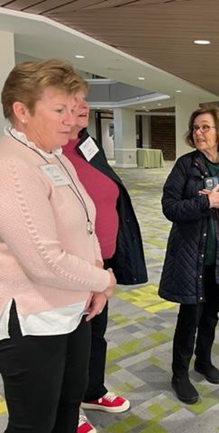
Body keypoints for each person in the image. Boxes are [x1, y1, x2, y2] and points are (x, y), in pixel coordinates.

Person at [0, 59, 116, 433]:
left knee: (68, 409)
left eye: (73, 107)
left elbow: (86, 220)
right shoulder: (12, 165)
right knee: (34, 424)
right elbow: (44, 261)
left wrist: (94, 276)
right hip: (34, 319)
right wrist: (103, 280)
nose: (71, 119)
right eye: (59, 109)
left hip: (71, 309)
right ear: (22, 111)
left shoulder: (54, 154)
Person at [62, 93, 148, 433]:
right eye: (74, 100)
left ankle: (91, 390)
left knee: (95, 332)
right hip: (72, 262)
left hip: (103, 258)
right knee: (70, 340)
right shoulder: (51, 151)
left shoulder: (87, 143)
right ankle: (67, 410)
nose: (84, 106)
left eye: (85, 99)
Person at [158, 106, 219, 404]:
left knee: (211, 314)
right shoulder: (185, 166)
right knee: (190, 316)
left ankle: (203, 360)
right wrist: (206, 203)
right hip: (191, 257)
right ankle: (179, 374)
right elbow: (169, 207)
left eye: (205, 127)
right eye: (195, 127)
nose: (198, 132)